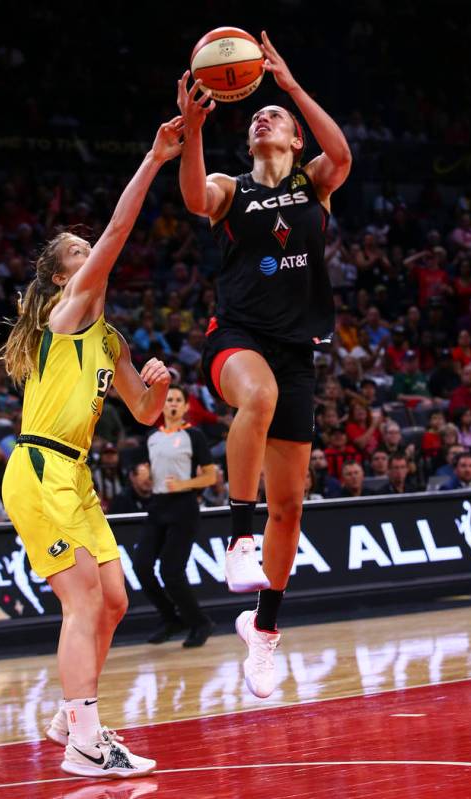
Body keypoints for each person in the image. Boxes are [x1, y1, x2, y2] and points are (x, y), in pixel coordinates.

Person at [0, 116, 183, 778]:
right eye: (77, 251)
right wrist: (157, 156)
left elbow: (143, 413)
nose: (90, 252)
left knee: (113, 601)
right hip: (40, 464)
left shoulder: (109, 339)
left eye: (85, 248)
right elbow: (118, 233)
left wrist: (158, 386)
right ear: (59, 279)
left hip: (75, 475)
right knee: (82, 601)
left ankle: (66, 716)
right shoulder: (65, 314)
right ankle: (84, 739)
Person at [177, 30, 351, 698]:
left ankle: (265, 628)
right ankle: (237, 538)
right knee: (258, 396)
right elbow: (195, 197)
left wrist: (290, 85)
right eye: (257, 116)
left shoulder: (316, 183)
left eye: (272, 117)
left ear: (293, 137)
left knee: (293, 509)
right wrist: (193, 131)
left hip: (297, 349)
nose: (263, 118)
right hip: (237, 335)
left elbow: (343, 151)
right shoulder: (231, 187)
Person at [132, 384, 217, 648]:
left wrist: (183, 484)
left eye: (178, 400)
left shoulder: (195, 436)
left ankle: (200, 622)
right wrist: (144, 477)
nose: (173, 404)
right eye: (168, 399)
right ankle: (170, 618)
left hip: (184, 506)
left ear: (186, 406)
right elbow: (146, 474)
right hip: (158, 505)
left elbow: (210, 475)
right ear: (162, 405)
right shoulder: (152, 437)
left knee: (171, 571)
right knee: (141, 566)